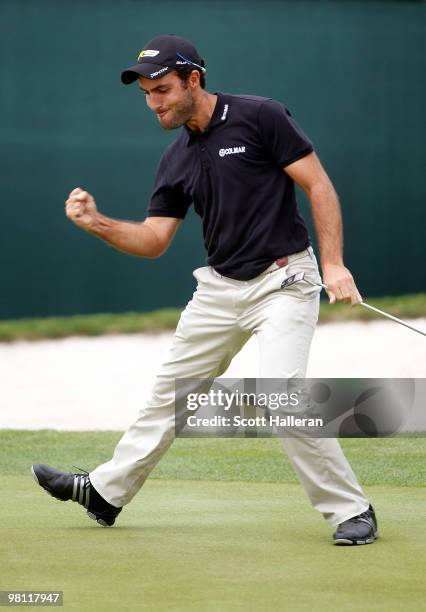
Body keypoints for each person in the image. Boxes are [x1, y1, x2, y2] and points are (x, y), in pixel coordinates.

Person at [32, 34, 378, 545]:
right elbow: (154, 240)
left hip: (284, 279)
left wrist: (333, 263)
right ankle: (105, 494)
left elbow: (318, 184)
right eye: (147, 94)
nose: (154, 103)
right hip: (218, 289)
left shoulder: (261, 116)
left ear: (194, 80)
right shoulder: (176, 158)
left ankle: (352, 509)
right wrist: (97, 223)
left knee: (281, 397)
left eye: (163, 90)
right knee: (170, 396)